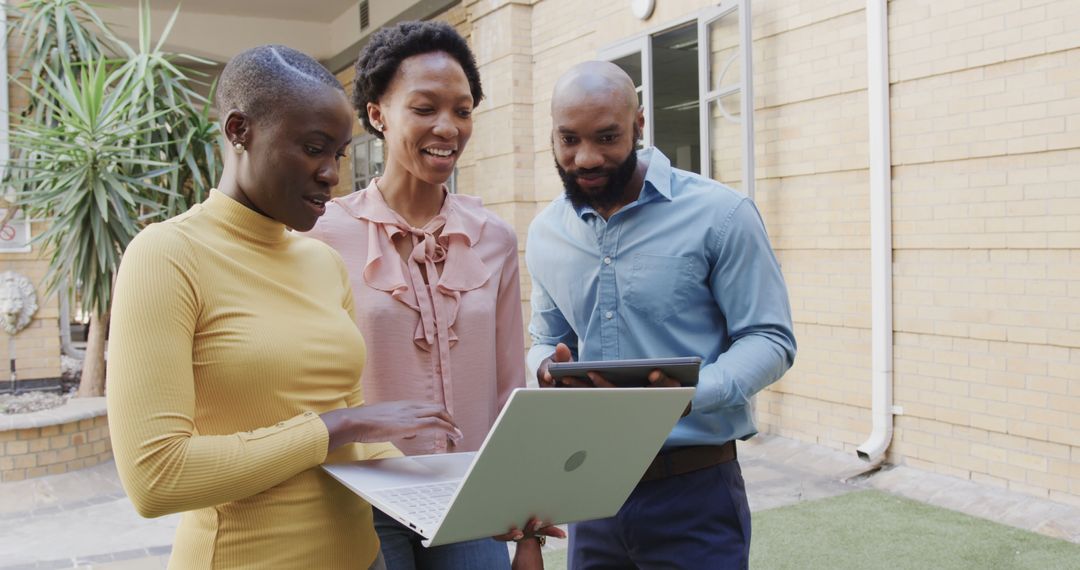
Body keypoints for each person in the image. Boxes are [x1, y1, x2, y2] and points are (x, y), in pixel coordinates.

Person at [106, 45, 464, 570]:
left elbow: (359, 446)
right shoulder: (167, 256)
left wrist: (465, 498)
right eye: (314, 148)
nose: (331, 174)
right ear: (238, 131)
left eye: (339, 154)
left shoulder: (322, 262)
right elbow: (158, 478)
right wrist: (337, 426)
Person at [303, 21, 561, 570]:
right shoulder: (320, 235)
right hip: (361, 499)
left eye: (462, 110)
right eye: (424, 108)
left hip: (470, 493)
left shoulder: (493, 239)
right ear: (377, 114)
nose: (448, 127)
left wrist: (527, 529)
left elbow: (506, 390)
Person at [526, 61, 798, 569]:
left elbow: (770, 339)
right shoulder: (545, 233)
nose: (585, 158)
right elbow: (544, 337)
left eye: (607, 137)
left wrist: (689, 396)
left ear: (639, 125)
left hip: (694, 491)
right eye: (568, 140)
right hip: (590, 487)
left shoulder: (722, 215)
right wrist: (545, 367)